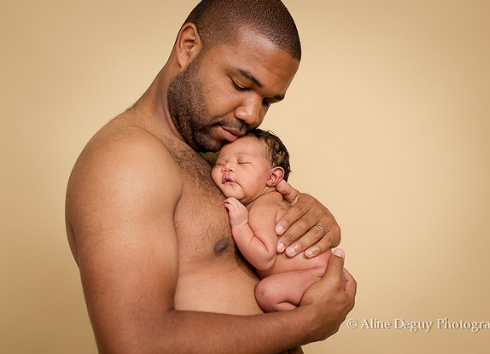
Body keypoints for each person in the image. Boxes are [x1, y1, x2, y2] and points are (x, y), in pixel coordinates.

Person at [65, 0, 356, 352]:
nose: (252, 115)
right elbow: (136, 345)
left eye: (267, 101)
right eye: (240, 84)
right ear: (188, 46)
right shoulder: (127, 159)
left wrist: (309, 223)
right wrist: (308, 322)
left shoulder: (215, 154)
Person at [213, 129, 333, 313]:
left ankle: (304, 320)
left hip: (318, 276)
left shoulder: (263, 208)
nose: (227, 167)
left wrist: (240, 225)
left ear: (272, 177)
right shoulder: (271, 201)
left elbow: (264, 258)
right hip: (320, 273)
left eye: (242, 162)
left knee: (266, 292)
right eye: (219, 163)